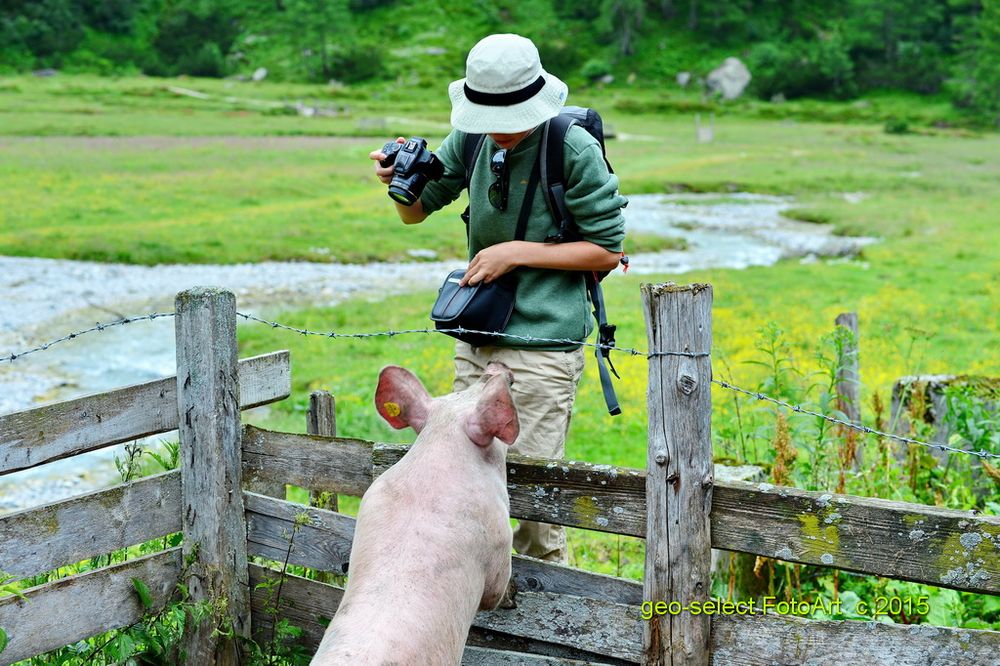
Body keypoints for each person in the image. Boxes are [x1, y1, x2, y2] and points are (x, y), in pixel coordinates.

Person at [369, 33, 626, 563]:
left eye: (513, 117)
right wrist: (398, 180)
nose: (501, 130)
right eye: (489, 117)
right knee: (469, 488)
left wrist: (514, 252)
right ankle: (481, 611)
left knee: (532, 501)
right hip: (478, 340)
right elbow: (416, 212)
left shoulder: (571, 148)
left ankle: (545, 627)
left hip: (543, 345)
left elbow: (605, 249)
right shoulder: (471, 138)